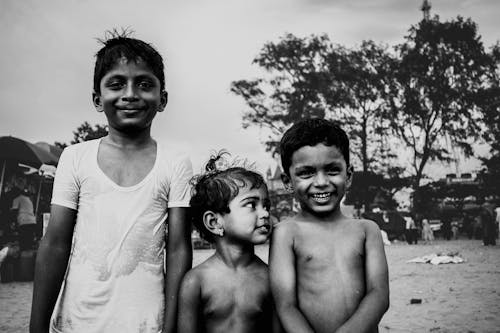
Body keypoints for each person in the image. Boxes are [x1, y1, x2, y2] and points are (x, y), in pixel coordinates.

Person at [29, 32, 193, 333]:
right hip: (76, 322)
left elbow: (179, 247)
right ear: (96, 98)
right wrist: (36, 327)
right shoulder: (75, 157)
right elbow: (55, 243)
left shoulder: (175, 162)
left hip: (148, 323)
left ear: (162, 99)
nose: (130, 94)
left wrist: (171, 327)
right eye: (116, 84)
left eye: (144, 84)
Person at [270, 118, 389, 333]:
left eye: (332, 170)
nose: (322, 182)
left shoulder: (367, 230)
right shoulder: (286, 233)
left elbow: (379, 295)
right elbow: (285, 306)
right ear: (287, 181)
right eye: (306, 172)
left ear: (349, 175)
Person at [177, 153, 280, 333]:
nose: (264, 214)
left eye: (266, 206)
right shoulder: (196, 281)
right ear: (214, 222)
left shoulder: (271, 278)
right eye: (251, 205)